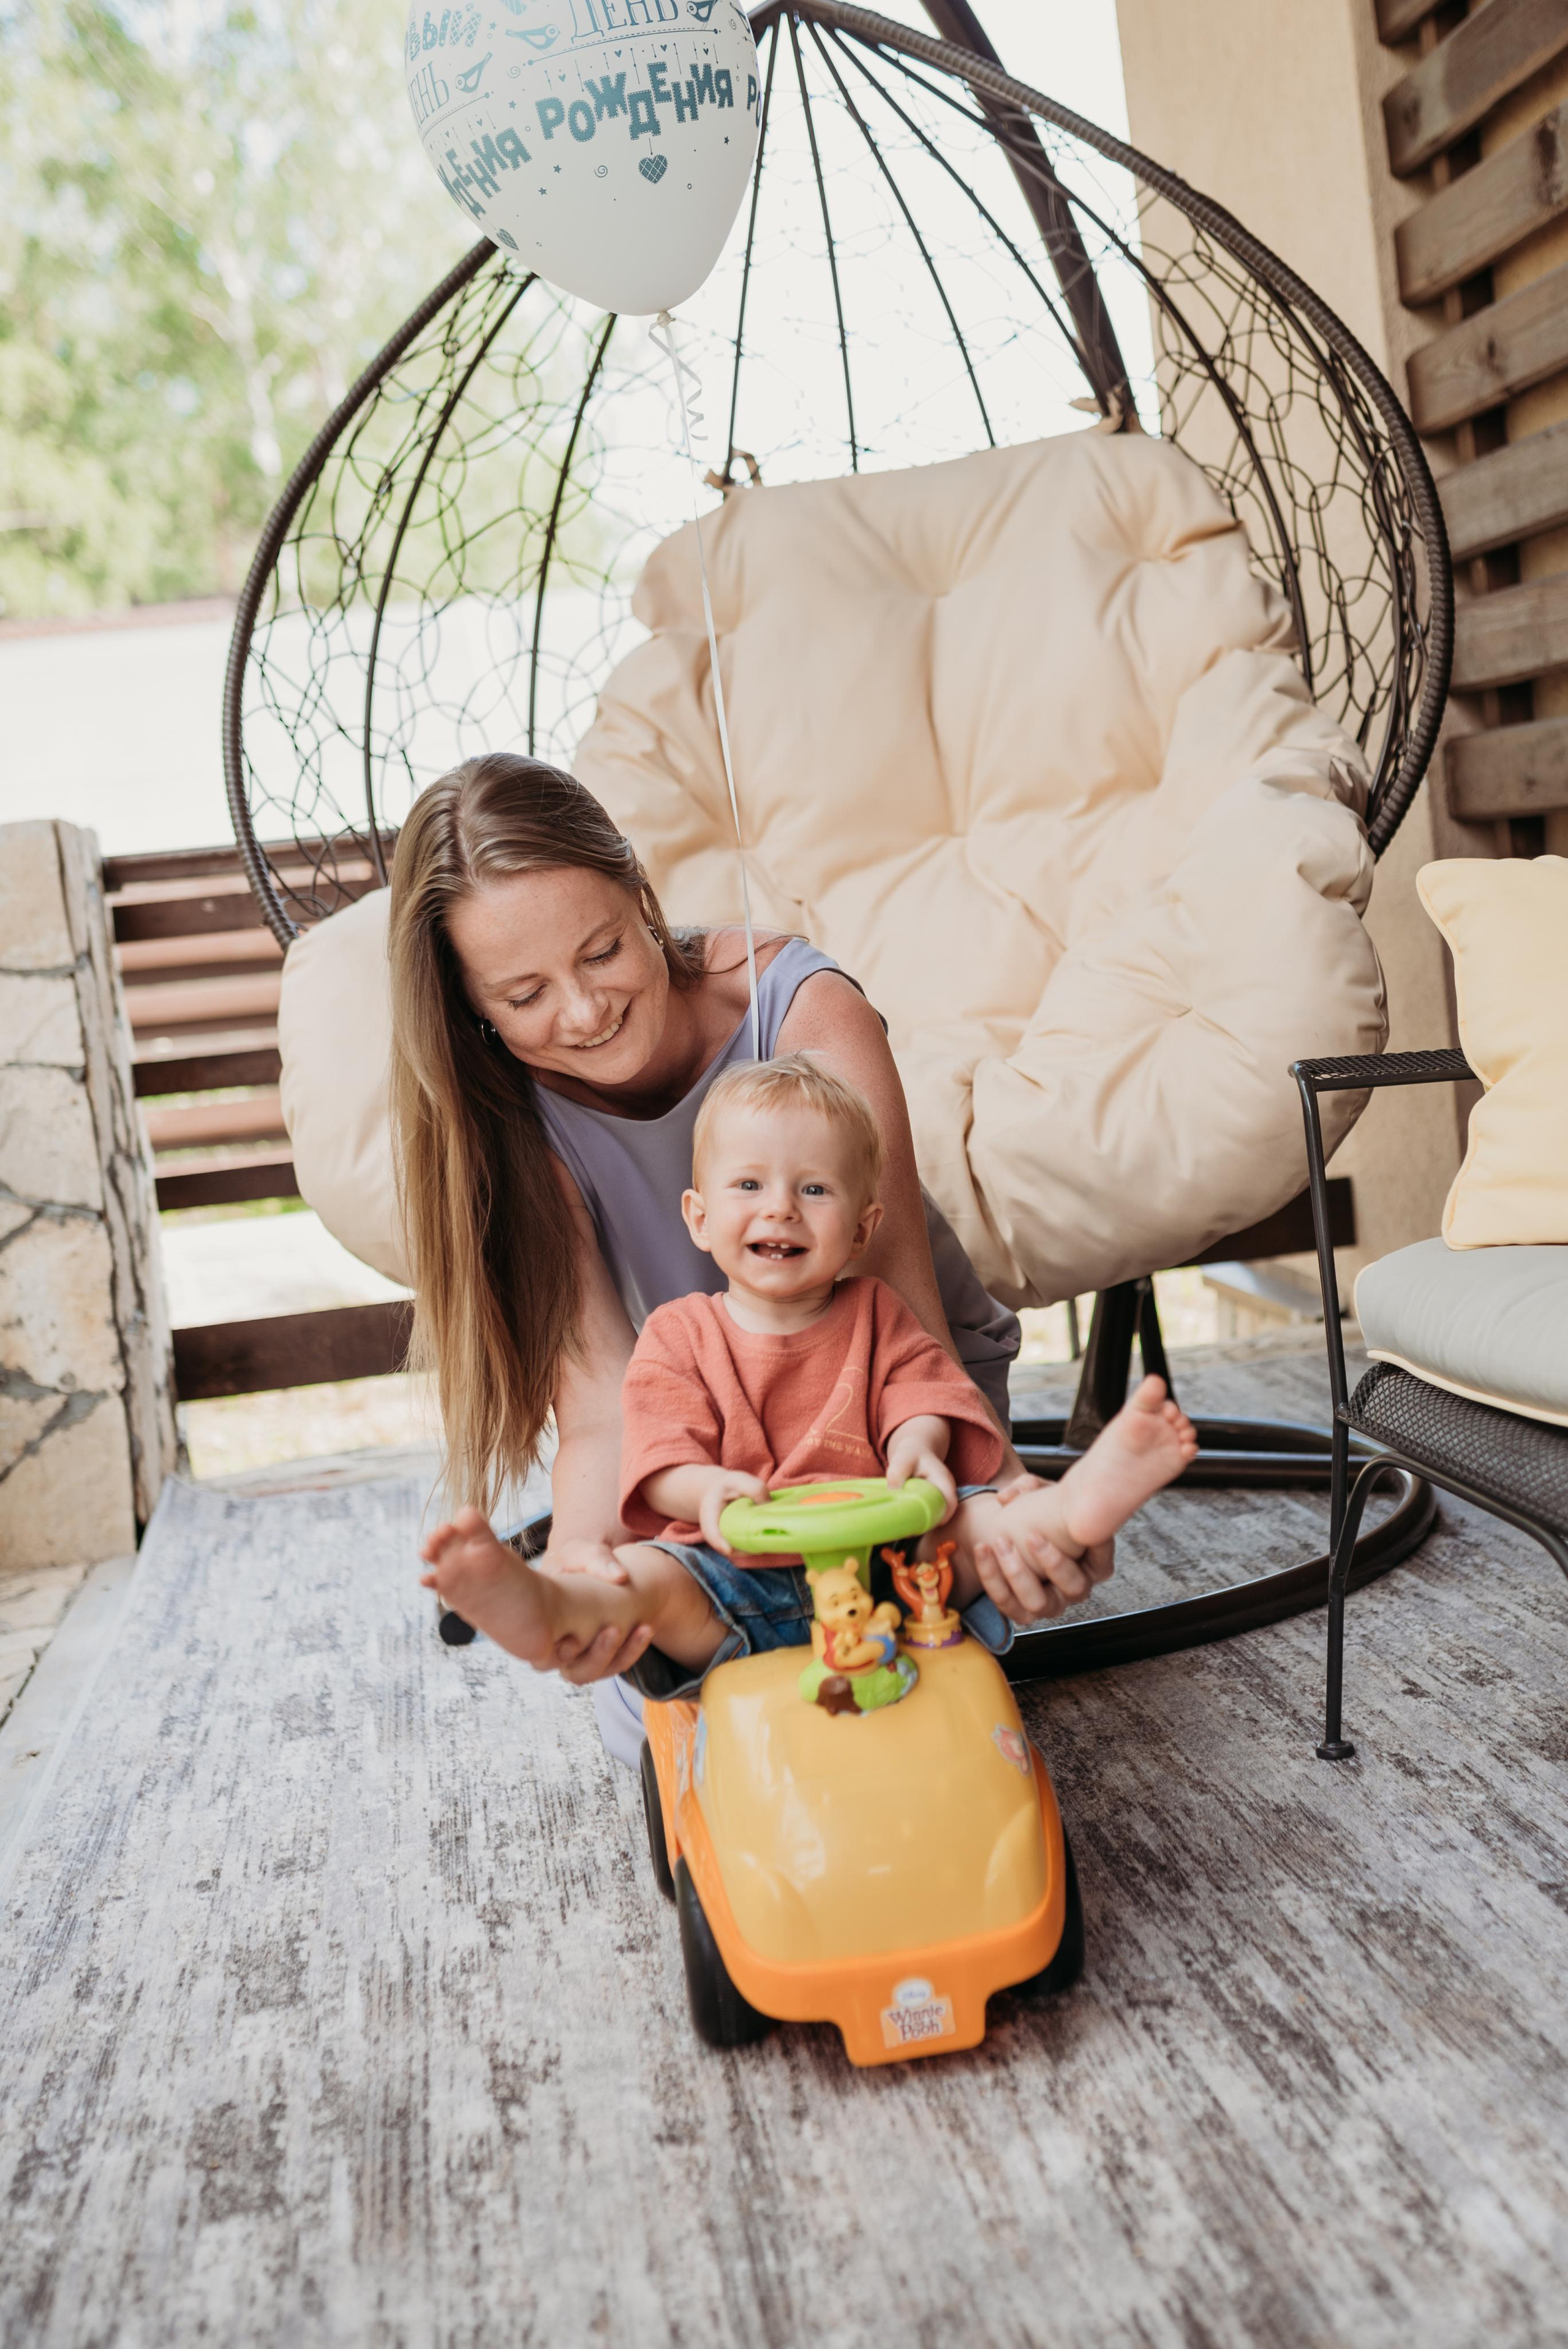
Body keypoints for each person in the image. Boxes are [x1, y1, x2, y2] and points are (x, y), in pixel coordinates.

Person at [390, 752, 1114, 1748]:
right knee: (649, 1667)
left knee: (939, 1630)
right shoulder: (520, 1116)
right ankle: (547, 1603)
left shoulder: (808, 1014)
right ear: (477, 1010)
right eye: (525, 995)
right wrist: (587, 1550)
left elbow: (902, 1320)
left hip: (897, 1410)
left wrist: (982, 1496)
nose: (585, 1011)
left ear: (643, 899)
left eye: (601, 951)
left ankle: (1094, 1487)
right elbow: (602, 1405)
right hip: (708, 1445)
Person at [419, 1055, 1197, 1687]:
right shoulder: (679, 1334)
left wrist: (919, 1448)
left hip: (895, 1571)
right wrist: (705, 1491)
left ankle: (1074, 1512)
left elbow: (920, 1393)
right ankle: (544, 1603)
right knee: (639, 1583)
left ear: (862, 1229)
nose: (781, 1209)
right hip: (729, 1578)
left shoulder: (876, 1313)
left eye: (814, 1189)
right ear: (698, 1217)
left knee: (983, 1523)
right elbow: (656, 1463)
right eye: (749, 1185)